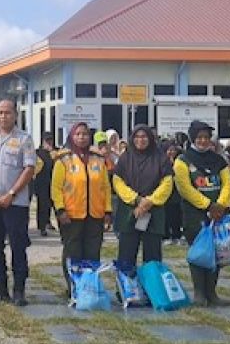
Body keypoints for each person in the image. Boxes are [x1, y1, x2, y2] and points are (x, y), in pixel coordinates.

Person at [0, 99, 36, 306]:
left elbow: (29, 169)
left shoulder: (25, 139)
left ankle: (19, 290)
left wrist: (11, 194)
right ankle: (0, 288)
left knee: (18, 246)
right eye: (0, 112)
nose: (4, 116)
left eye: (8, 112)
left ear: (15, 115)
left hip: (16, 203)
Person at [173, 120, 230, 306]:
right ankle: (199, 292)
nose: (203, 141)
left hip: (219, 214)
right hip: (195, 214)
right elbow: (185, 189)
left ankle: (211, 293)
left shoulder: (219, 160)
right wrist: (208, 205)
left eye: (206, 138)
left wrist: (221, 205)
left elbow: (228, 183)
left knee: (217, 251)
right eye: (199, 137)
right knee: (199, 251)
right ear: (192, 138)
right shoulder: (182, 161)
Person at [51, 122, 112, 297]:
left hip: (95, 214)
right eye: (77, 134)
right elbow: (56, 188)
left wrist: (108, 211)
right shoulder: (63, 159)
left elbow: (106, 187)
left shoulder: (98, 159)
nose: (82, 137)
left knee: (93, 252)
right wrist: (60, 210)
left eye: (85, 134)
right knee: (73, 253)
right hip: (71, 215)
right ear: (71, 136)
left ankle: (90, 288)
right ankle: (73, 288)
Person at [112, 125, 173, 267]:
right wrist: (137, 200)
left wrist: (149, 202)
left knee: (152, 258)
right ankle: (125, 287)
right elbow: (118, 182)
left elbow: (167, 183)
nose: (141, 140)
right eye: (137, 137)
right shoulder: (125, 158)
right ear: (132, 139)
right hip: (129, 211)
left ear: (150, 138)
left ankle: (151, 288)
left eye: (144, 136)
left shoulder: (160, 158)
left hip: (154, 212)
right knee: (126, 255)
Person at [34, 132, 56, 236]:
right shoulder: (38, 152)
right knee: (42, 204)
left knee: (51, 204)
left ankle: (48, 222)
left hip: (53, 181)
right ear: (42, 141)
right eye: (47, 140)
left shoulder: (55, 152)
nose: (49, 142)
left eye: (51, 140)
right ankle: (42, 226)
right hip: (41, 182)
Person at [163, 144, 184, 245]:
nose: (171, 152)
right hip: (164, 193)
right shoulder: (162, 161)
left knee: (175, 215)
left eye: (173, 150)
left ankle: (176, 235)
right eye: (169, 150)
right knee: (166, 216)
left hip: (175, 193)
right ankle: (166, 235)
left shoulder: (179, 162)